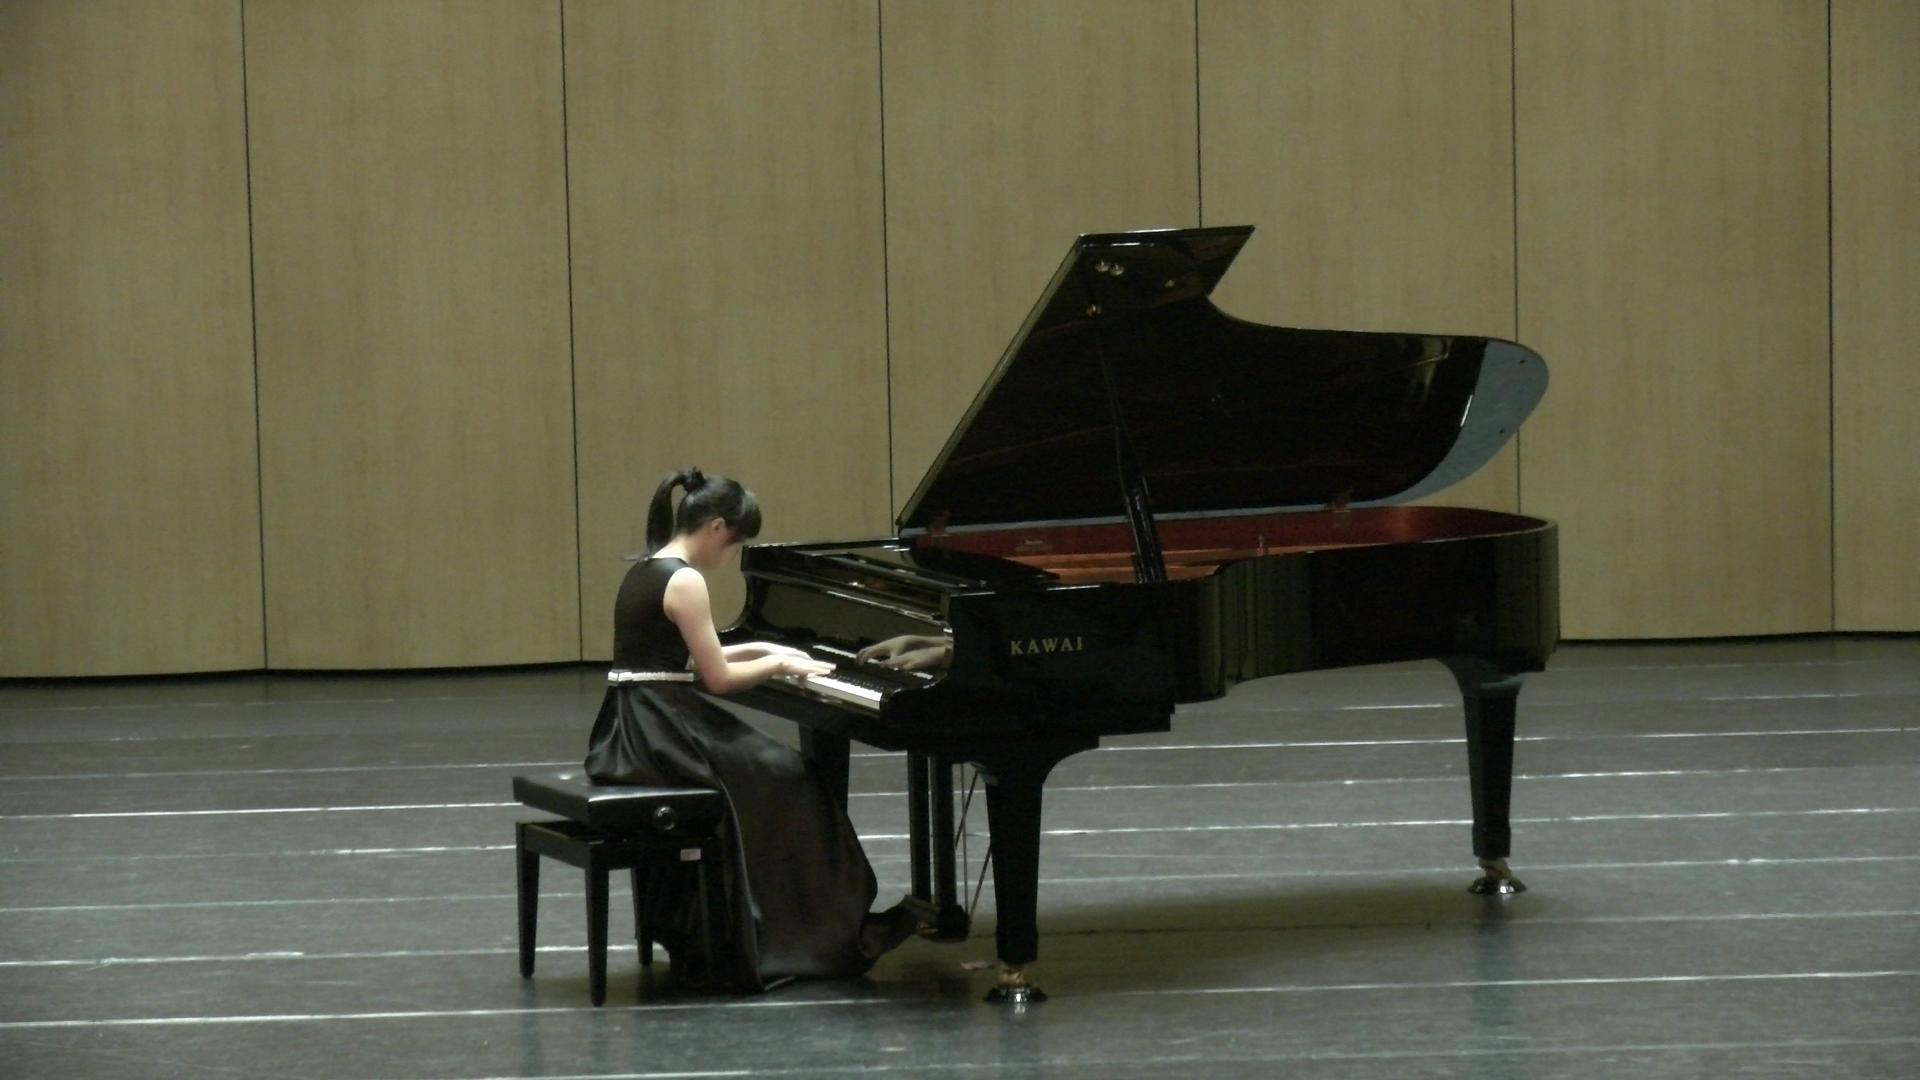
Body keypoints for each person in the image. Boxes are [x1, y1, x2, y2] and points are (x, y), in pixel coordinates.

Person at [584, 467, 924, 990]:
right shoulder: (686, 581)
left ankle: (761, 925)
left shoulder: (648, 569)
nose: (732, 555)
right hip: (663, 733)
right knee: (794, 779)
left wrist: (767, 648)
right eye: (736, 543)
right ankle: (807, 933)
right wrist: (779, 665)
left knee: (778, 774)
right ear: (716, 528)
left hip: (636, 725)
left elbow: (690, 659)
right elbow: (718, 679)